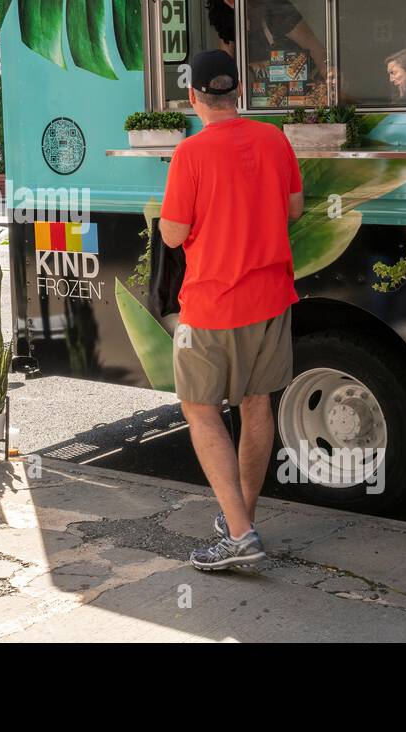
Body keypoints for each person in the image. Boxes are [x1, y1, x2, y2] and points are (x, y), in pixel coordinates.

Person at [158, 50, 304, 571]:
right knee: (256, 403)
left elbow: (174, 234)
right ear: (238, 92)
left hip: (213, 302)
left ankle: (239, 536)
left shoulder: (190, 153)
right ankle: (243, 518)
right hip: (271, 298)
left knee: (200, 409)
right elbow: (293, 209)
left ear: (194, 97)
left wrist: (168, 220)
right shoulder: (274, 138)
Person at [206, 0, 330, 100]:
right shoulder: (227, 22)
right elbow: (226, 68)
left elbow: (317, 50)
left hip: (300, 95)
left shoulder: (278, 13)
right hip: (257, 100)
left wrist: (333, 87)